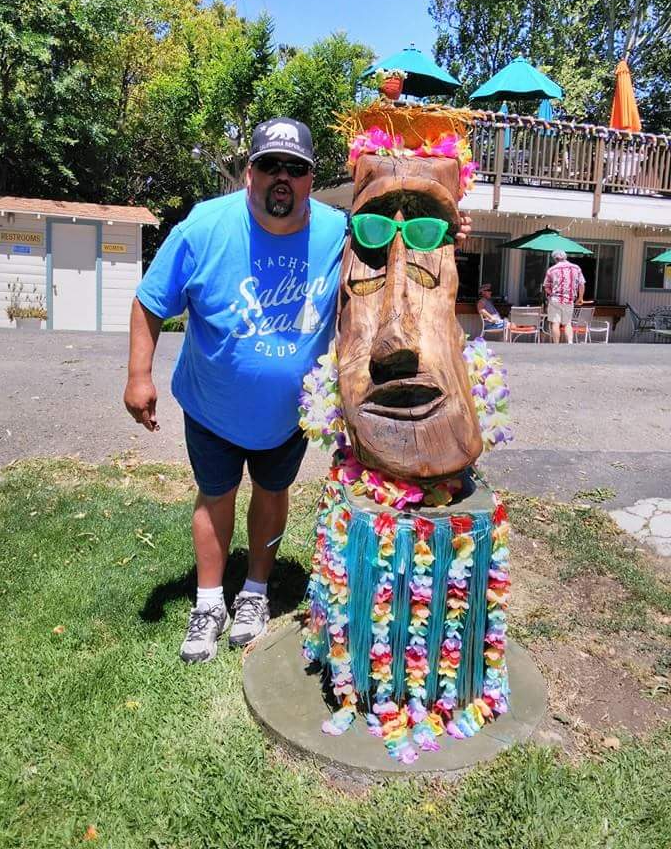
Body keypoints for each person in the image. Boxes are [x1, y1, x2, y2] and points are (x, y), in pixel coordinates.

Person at [124, 117, 472, 665]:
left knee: (271, 492)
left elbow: (398, 235)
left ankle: (255, 592)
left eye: (296, 168)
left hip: (287, 415)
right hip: (212, 406)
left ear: (311, 179)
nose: (281, 177)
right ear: (250, 173)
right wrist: (138, 376)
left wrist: (450, 229)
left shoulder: (338, 232)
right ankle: (209, 601)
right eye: (270, 165)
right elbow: (149, 301)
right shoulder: (204, 228)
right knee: (215, 496)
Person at [543, 249, 585, 343]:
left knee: (555, 322)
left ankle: (556, 345)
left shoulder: (551, 270)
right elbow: (581, 284)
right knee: (567, 323)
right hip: (569, 299)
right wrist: (580, 298)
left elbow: (546, 286)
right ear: (565, 257)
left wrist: (551, 294)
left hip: (555, 299)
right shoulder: (576, 268)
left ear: (555, 259)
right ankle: (570, 343)